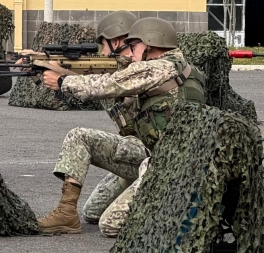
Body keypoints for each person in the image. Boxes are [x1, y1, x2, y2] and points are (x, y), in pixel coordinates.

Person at [36, 17, 206, 235]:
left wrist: (62, 82)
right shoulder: (157, 70)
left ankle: (175, 209)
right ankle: (66, 214)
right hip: (150, 154)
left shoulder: (161, 67)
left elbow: (110, 83)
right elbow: (112, 84)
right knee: (92, 208)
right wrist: (47, 66)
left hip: (171, 164)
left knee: (110, 225)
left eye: (134, 45)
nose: (131, 50)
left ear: (150, 44)